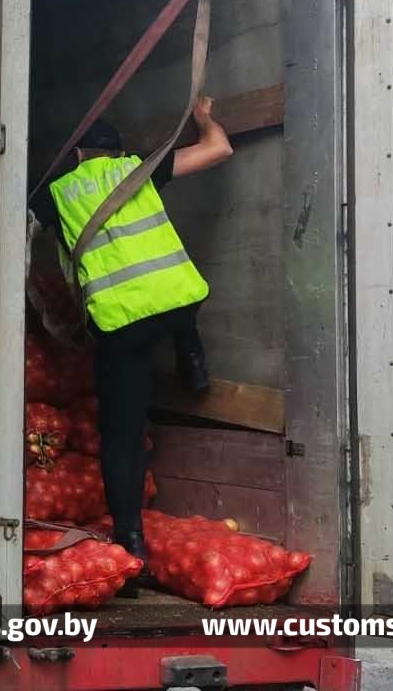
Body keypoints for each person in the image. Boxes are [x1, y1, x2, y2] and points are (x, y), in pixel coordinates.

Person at [34, 95, 233, 572]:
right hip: (177, 305)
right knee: (178, 290)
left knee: (121, 434)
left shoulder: (56, 192)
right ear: (117, 151)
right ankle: (193, 360)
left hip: (123, 326)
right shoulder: (140, 169)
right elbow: (219, 148)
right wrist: (204, 119)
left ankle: (130, 538)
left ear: (77, 154)